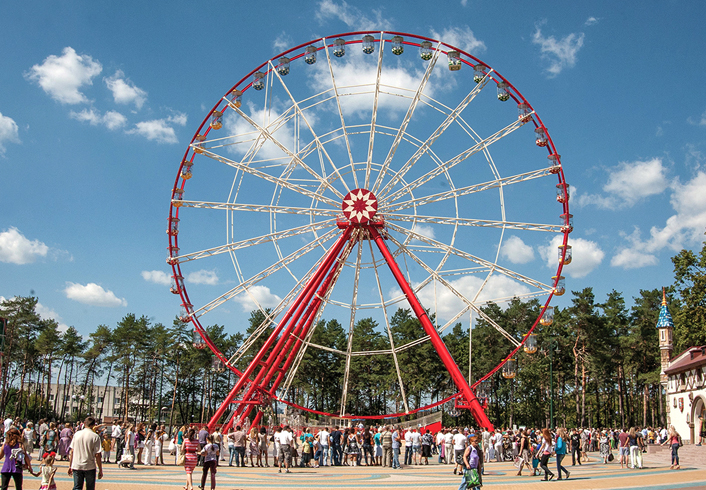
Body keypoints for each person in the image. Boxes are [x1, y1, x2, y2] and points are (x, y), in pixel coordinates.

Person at [67, 417, 103, 490]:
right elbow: (97, 454)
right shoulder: (95, 436)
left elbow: (72, 451)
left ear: (84, 423)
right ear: (94, 425)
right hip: (89, 466)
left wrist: (70, 465)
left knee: (77, 487)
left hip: (77, 465)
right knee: (90, 488)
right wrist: (100, 469)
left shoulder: (77, 434)